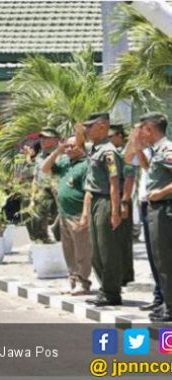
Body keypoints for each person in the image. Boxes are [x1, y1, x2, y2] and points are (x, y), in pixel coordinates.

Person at [78, 112, 125, 306]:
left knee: (108, 249)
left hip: (106, 200)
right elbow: (80, 140)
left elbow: (114, 183)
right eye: (86, 127)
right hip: (96, 200)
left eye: (91, 126)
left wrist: (115, 211)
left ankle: (112, 292)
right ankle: (104, 288)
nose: (87, 130)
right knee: (96, 249)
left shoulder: (108, 152)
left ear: (103, 126)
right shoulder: (95, 149)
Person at [129, 112, 172, 322]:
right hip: (156, 209)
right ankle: (167, 302)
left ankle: (170, 308)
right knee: (159, 258)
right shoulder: (157, 151)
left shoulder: (167, 149)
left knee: (165, 259)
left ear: (149, 129)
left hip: (165, 209)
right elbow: (149, 168)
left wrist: (161, 193)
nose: (139, 133)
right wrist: (137, 146)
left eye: (141, 129)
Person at [42, 136, 92, 295]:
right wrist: (57, 151)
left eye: (73, 146)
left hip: (78, 214)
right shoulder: (64, 163)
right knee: (68, 250)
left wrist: (85, 214)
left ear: (82, 147)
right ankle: (72, 279)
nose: (69, 149)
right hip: (64, 213)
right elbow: (44, 168)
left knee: (82, 251)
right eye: (67, 146)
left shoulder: (86, 165)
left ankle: (83, 282)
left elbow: (89, 192)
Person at [124, 127, 163, 312]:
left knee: (161, 255)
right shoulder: (147, 151)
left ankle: (164, 298)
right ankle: (159, 296)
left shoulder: (163, 150)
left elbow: (146, 165)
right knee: (153, 255)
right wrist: (134, 141)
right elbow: (127, 158)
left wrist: (138, 145)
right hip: (145, 204)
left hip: (159, 204)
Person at [109, 124, 137, 285]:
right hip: (113, 196)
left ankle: (125, 276)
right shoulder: (112, 152)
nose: (109, 139)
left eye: (111, 136)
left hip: (122, 196)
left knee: (123, 239)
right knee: (114, 238)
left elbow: (129, 177)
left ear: (119, 135)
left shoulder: (127, 152)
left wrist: (124, 202)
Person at [27, 127, 59, 243]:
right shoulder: (40, 155)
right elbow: (35, 177)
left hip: (54, 193)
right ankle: (41, 243)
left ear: (56, 140)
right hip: (41, 192)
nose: (42, 140)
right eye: (41, 138)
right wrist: (32, 197)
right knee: (37, 221)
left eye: (46, 138)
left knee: (56, 225)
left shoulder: (60, 155)